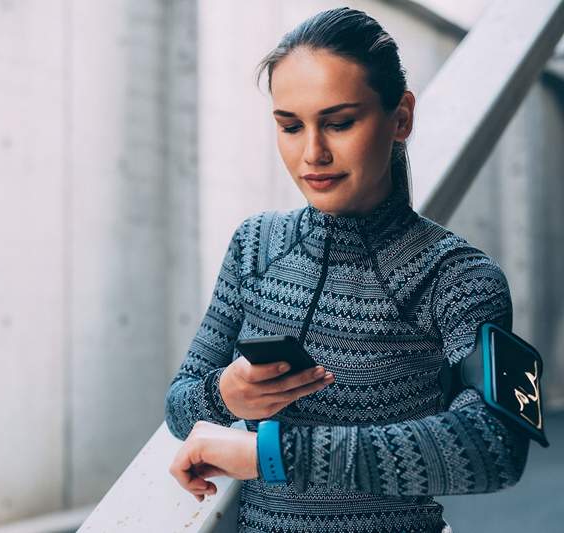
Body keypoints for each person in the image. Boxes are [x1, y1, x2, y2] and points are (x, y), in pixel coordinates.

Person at [164, 7, 530, 533]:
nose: (312, 153)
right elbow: (180, 404)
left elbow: (496, 445)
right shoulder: (255, 246)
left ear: (400, 117)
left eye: (339, 123)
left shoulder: (460, 277)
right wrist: (225, 394)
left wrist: (271, 452)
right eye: (290, 126)